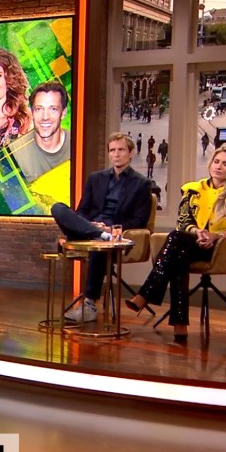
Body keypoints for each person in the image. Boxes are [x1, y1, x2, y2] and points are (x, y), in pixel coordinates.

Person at [126, 144, 226, 343]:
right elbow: (183, 221)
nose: (218, 167)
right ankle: (179, 323)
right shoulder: (194, 189)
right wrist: (198, 232)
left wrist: (216, 236)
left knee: (176, 244)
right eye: (216, 161)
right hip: (193, 243)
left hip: (221, 247)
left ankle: (147, 295)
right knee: (178, 247)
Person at [52, 132, 151, 323]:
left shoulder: (141, 184)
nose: (116, 154)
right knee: (58, 208)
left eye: (121, 150)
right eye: (112, 150)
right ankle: (99, 234)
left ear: (131, 153)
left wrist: (110, 229)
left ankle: (89, 305)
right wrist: (93, 226)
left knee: (99, 246)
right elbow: (82, 211)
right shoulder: (95, 178)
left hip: (113, 236)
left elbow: (139, 220)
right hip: (89, 229)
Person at [9, 81, 71, 183]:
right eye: (39, 109)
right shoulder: (15, 152)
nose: (45, 117)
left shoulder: (79, 146)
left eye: (53, 109)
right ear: (32, 112)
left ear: (63, 113)